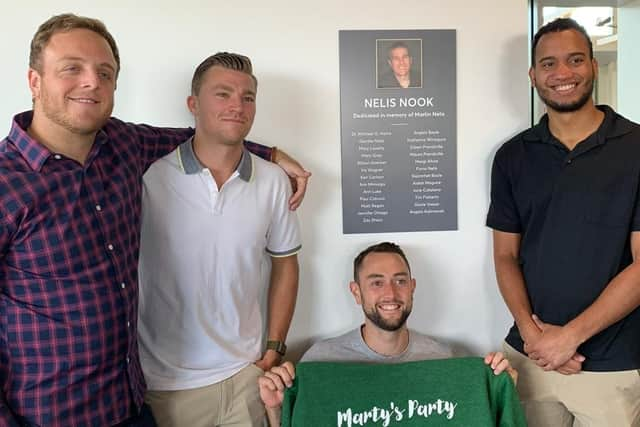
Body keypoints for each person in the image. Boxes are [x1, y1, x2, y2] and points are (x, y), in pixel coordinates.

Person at [0, 14, 309, 427]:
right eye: (72, 68)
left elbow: (209, 136)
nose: (91, 81)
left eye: (104, 72)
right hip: (48, 415)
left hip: (131, 405)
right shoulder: (6, 184)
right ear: (34, 81)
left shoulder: (123, 146)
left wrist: (272, 154)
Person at [487, 17, 640, 426]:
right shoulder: (512, 157)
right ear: (534, 75)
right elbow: (505, 255)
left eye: (575, 60)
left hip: (612, 364)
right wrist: (535, 337)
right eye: (549, 63)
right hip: (531, 357)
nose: (562, 74)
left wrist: (568, 338)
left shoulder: (636, 148)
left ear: (592, 64)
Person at [138, 52, 301, 427]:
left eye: (247, 97)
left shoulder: (274, 181)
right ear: (193, 104)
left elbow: (286, 263)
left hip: (246, 380)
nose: (237, 106)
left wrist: (274, 347)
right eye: (222, 94)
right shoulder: (150, 176)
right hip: (168, 388)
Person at [259, 242, 518, 426]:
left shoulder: (445, 360)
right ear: (356, 292)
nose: (391, 294)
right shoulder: (320, 361)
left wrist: (499, 389)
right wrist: (275, 408)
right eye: (376, 282)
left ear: (412, 287)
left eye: (400, 280)